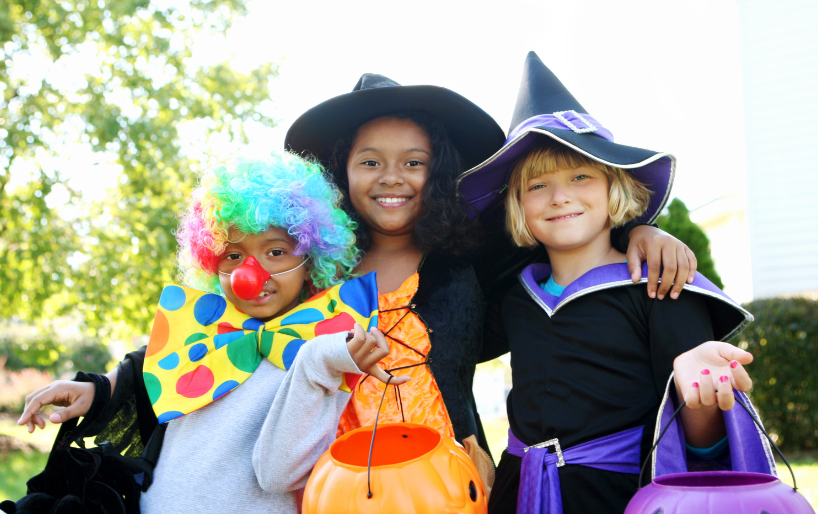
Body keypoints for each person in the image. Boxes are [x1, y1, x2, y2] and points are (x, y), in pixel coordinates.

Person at [283, 73, 699, 488]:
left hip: (448, 493)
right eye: (370, 162)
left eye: (414, 162)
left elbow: (561, 232)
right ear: (341, 172)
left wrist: (640, 231)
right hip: (331, 488)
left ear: (440, 172)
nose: (392, 177)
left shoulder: (472, 258)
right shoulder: (312, 270)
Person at [17, 153, 407, 514]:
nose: (251, 274)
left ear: (310, 259)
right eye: (233, 256)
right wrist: (97, 389)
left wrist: (318, 363)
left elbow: (278, 474)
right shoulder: (202, 335)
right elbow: (145, 374)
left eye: (276, 251)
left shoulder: (320, 352)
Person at [471, 52, 777, 514]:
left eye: (580, 178)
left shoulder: (661, 286)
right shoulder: (515, 298)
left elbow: (698, 440)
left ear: (615, 188)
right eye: (536, 185)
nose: (559, 197)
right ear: (517, 206)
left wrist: (698, 392)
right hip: (519, 508)